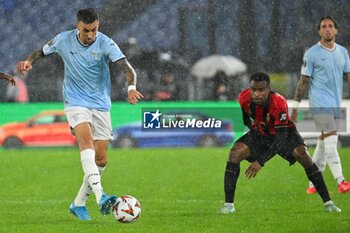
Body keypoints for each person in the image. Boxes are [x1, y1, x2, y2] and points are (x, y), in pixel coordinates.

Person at [16, 8, 143, 221]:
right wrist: (29, 61)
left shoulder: (105, 43)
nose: (91, 35)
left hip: (101, 105)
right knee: (87, 144)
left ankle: (78, 204)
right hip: (75, 102)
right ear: (78, 26)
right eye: (86, 30)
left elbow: (127, 67)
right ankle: (101, 196)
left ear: (98, 26)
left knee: (101, 159)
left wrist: (131, 88)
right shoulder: (63, 40)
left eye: (94, 29)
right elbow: (40, 52)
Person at [220, 72, 341, 214]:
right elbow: (247, 120)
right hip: (262, 133)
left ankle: (329, 203)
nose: (256, 94)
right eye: (253, 89)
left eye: (261, 90)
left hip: (284, 133)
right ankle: (228, 206)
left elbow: (281, 139)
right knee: (234, 153)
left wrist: (260, 161)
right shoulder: (244, 98)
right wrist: (257, 131)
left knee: (302, 155)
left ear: (268, 89)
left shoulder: (278, 102)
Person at [290, 16, 350, 194]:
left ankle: (312, 185)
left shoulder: (342, 52)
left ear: (336, 30)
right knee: (332, 140)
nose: (327, 29)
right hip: (319, 104)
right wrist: (295, 107)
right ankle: (341, 181)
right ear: (319, 31)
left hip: (334, 104)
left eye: (331, 26)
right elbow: (303, 81)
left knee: (323, 143)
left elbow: (348, 76)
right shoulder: (312, 53)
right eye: (324, 27)